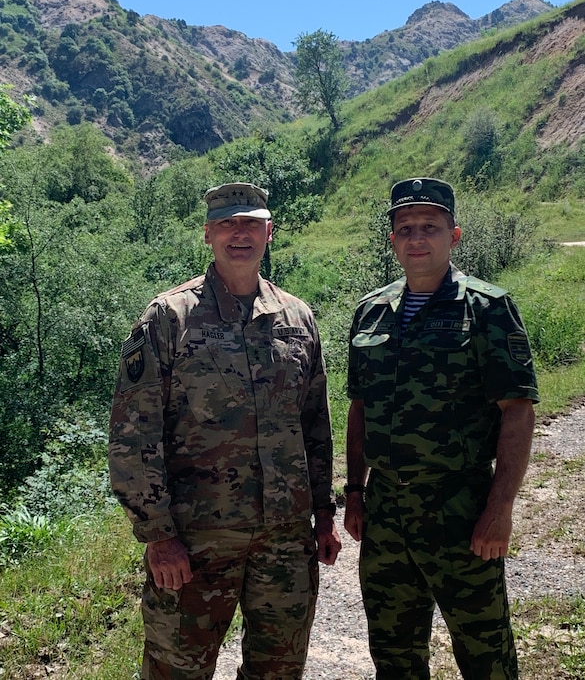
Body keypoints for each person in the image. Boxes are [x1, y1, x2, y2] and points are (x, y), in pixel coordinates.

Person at [109, 181, 341, 680]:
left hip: (284, 539)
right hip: (195, 541)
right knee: (177, 670)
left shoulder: (297, 318)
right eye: (228, 224)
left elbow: (314, 425)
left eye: (251, 223)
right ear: (209, 234)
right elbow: (134, 432)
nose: (241, 233)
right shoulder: (169, 317)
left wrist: (323, 512)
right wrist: (157, 535)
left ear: (269, 233)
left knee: (278, 670)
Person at [344, 177, 539, 680]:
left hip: (459, 507)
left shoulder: (487, 309)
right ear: (392, 240)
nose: (416, 237)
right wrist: (356, 494)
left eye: (429, 226)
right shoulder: (370, 312)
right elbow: (359, 409)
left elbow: (517, 410)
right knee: (394, 651)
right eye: (405, 227)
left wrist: (500, 510)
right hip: (387, 513)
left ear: (453, 235)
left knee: (484, 649)